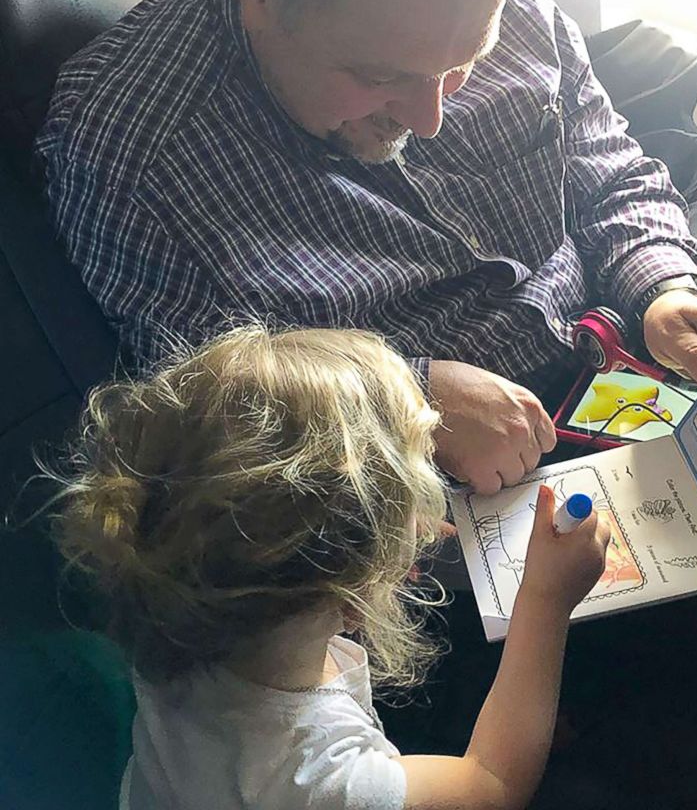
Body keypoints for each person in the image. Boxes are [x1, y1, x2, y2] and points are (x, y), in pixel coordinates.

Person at [35, 0, 697, 495]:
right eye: (377, 77)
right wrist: (404, 396)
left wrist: (662, 289)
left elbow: (609, 172)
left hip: (617, 358)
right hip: (433, 489)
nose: (429, 118)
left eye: (471, 57)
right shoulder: (133, 158)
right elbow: (212, 420)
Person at [51, 324, 610, 810]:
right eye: (417, 497)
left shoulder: (177, 591)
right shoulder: (318, 781)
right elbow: (491, 784)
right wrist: (545, 599)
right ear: (350, 594)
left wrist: (375, 551)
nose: (423, 519)